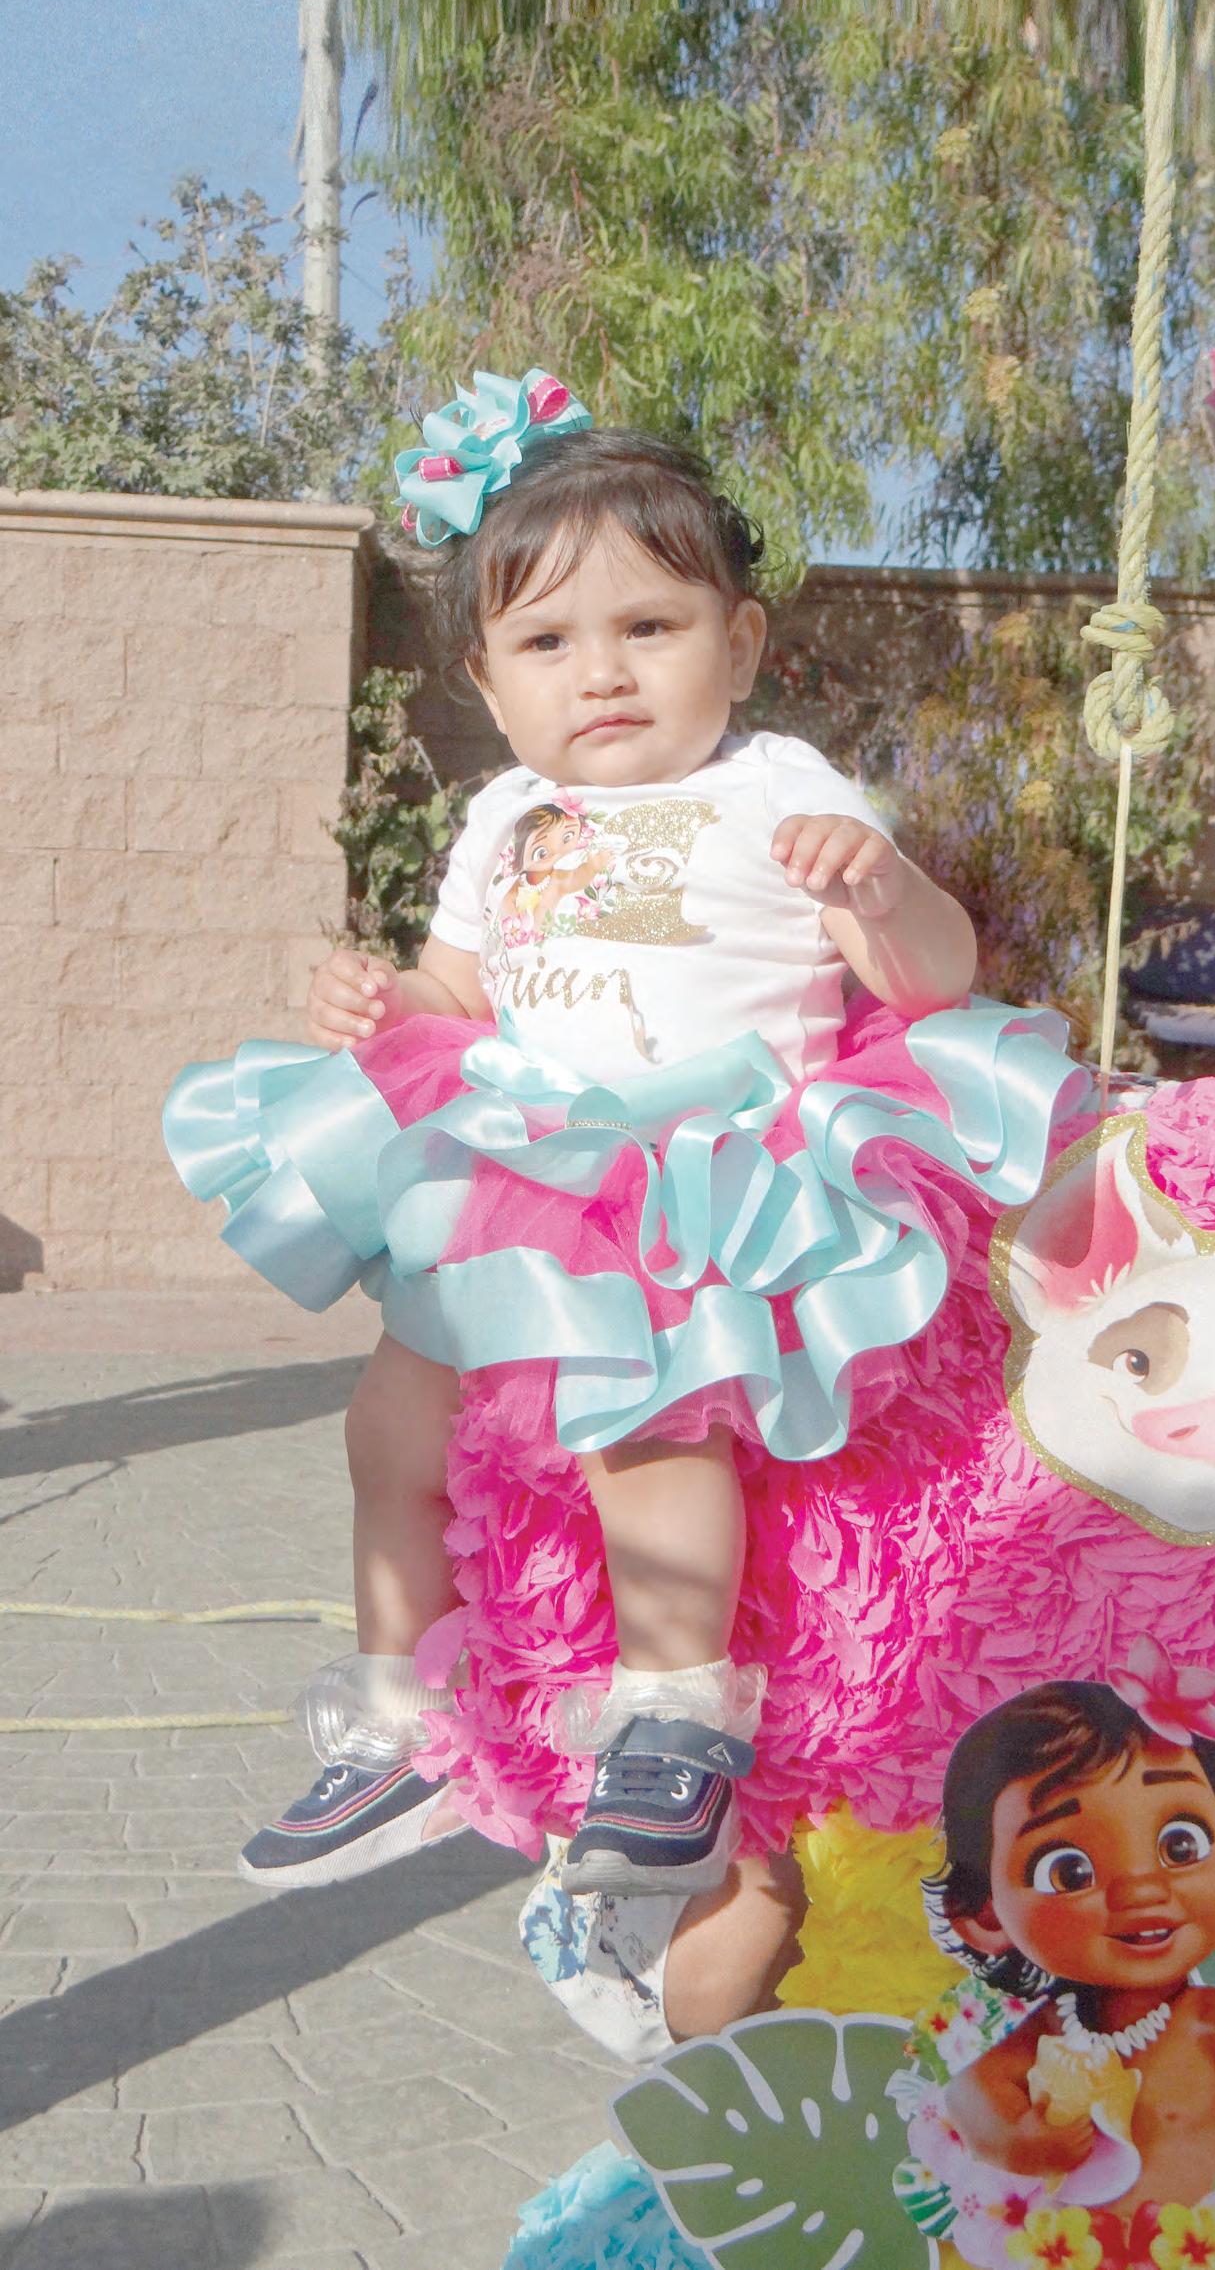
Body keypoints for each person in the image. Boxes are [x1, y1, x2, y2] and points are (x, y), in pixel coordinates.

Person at [167, 367, 980, 1898]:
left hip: (698, 1180)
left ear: (740, 644)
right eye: (546, 642)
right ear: (488, 680)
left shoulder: (777, 786)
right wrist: (386, 997)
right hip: (511, 1168)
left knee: (643, 1429)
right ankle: (399, 1719)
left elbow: (930, 977)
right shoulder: (505, 817)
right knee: (389, 1428)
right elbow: (461, 990)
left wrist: (879, 887)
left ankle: (672, 1724)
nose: (599, 672)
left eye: (648, 627)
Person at [923, 1679, 1215, 2224]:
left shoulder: (1208, 2024)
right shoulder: (1051, 2034)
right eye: (1069, 1871)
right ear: (987, 1916)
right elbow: (971, 2093)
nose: (1141, 1890)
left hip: (1194, 2249)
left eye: (1181, 1844)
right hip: (1070, 2252)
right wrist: (1014, 2139)